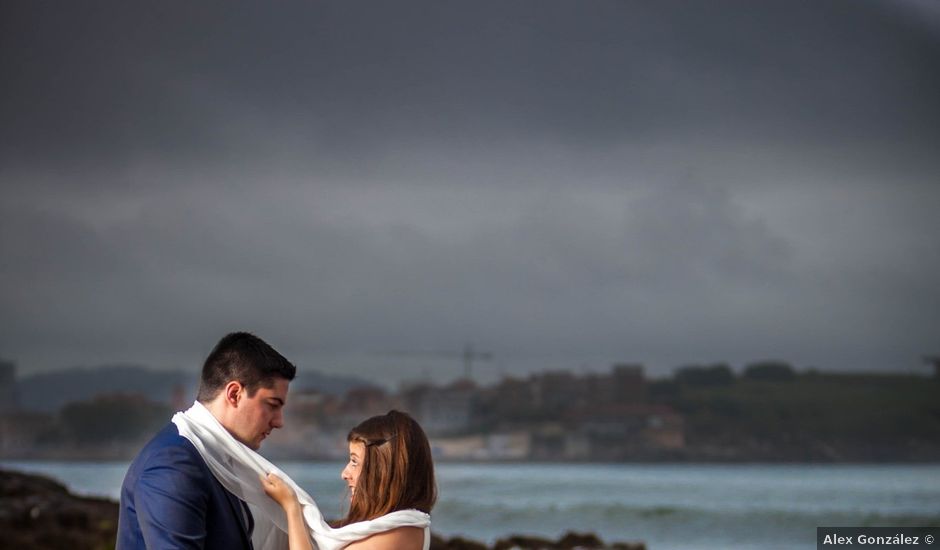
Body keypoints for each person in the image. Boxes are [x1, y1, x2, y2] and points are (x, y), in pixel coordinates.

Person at [117, 331, 296, 550]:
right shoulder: (174, 465)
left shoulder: (213, 457)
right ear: (234, 394)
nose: (279, 422)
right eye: (272, 404)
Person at [261, 410, 437, 550]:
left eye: (354, 462)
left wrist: (292, 508)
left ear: (383, 470)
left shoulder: (398, 533)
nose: (344, 473)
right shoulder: (398, 526)